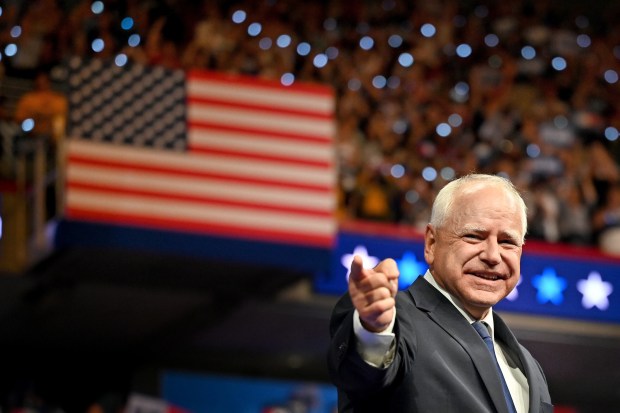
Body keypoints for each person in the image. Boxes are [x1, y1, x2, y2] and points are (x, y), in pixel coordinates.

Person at [327, 174, 553, 412]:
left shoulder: (530, 367)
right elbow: (365, 375)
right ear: (431, 244)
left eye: (507, 241)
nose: (493, 255)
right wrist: (374, 330)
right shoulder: (396, 322)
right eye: (474, 236)